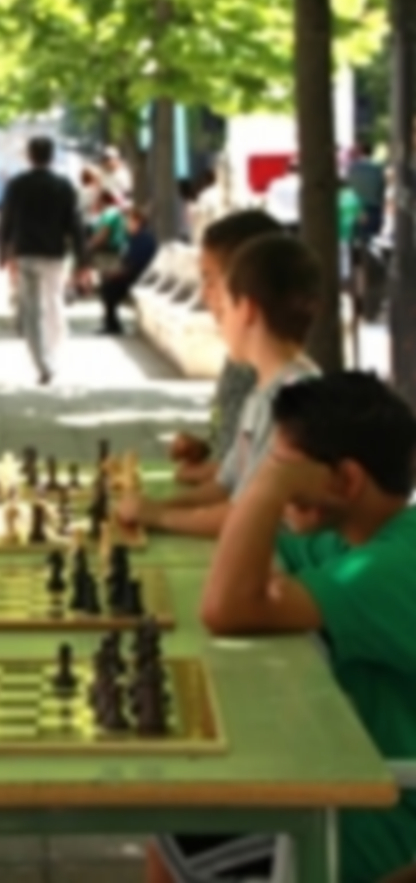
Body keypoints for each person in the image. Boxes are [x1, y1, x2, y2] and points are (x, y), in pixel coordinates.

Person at [148, 372, 416, 883]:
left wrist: (268, 487)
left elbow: (224, 607)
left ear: (346, 481)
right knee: (174, 822)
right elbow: (259, 564)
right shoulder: (351, 537)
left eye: (286, 469)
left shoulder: (393, 564)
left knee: (175, 828)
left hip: (384, 811)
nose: (272, 481)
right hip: (347, 769)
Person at [118, 233, 322, 538]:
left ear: (249, 310)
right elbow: (227, 486)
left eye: (225, 307)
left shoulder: (291, 397)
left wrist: (159, 515)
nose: (218, 319)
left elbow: (244, 516)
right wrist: (158, 505)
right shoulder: (262, 390)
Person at [170, 211, 283, 486]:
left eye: (210, 280)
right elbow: (238, 454)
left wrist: (157, 512)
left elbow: (245, 486)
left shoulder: (270, 384)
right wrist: (206, 451)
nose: (203, 295)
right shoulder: (240, 362)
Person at [0, 136, 86, 385]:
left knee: (32, 310)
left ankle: (42, 361)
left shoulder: (17, 185)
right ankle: (53, 354)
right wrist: (83, 258)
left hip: (25, 252)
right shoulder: (63, 186)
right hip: (54, 253)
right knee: (54, 303)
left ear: (29, 155)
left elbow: (5, 221)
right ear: (52, 155)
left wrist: (1, 251)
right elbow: (75, 225)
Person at [98, 204, 157, 335]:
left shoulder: (144, 239)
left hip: (139, 277)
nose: (126, 224)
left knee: (109, 286)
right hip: (133, 274)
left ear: (137, 222)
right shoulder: (134, 238)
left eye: (129, 221)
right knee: (107, 281)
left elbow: (135, 265)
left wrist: (117, 274)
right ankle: (111, 322)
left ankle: (112, 324)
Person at [348, 139, 385, 242]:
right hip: (375, 208)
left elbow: (351, 186)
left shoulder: (352, 167)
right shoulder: (378, 167)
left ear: (359, 152)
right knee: (372, 241)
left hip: (357, 208)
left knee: (358, 241)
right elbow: (381, 187)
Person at [265, 158, 301, 233]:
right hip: (298, 220)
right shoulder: (303, 185)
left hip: (280, 220)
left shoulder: (275, 183)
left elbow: (271, 202)